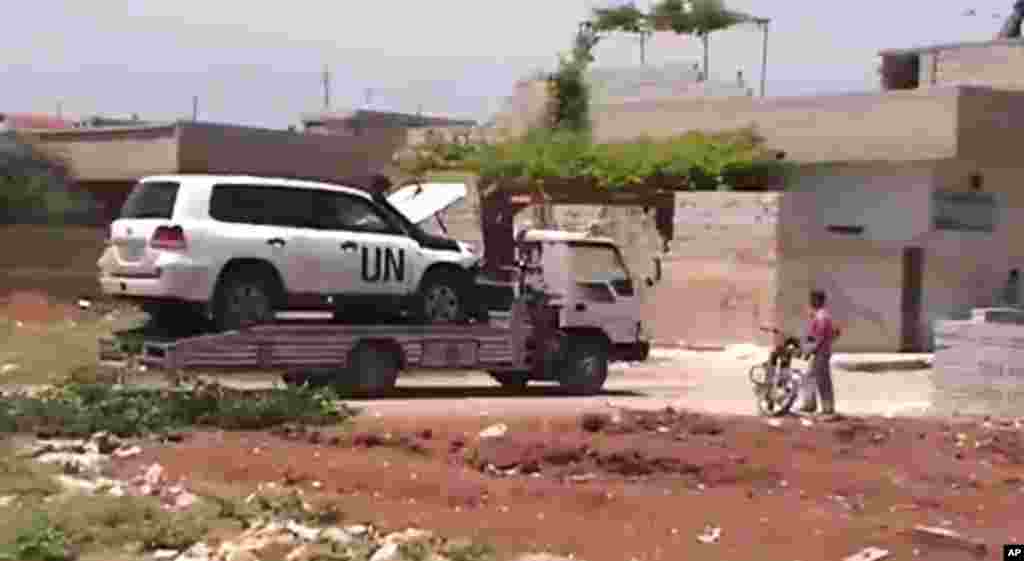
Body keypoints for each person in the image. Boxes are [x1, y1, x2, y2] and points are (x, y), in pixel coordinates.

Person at [798, 290, 840, 419]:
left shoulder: (821, 317)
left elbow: (819, 337)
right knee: (809, 377)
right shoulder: (820, 315)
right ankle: (810, 404)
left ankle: (827, 408)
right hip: (821, 352)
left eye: (812, 299)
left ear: (818, 301)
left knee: (822, 380)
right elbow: (835, 333)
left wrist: (809, 349)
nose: (810, 302)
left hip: (820, 353)